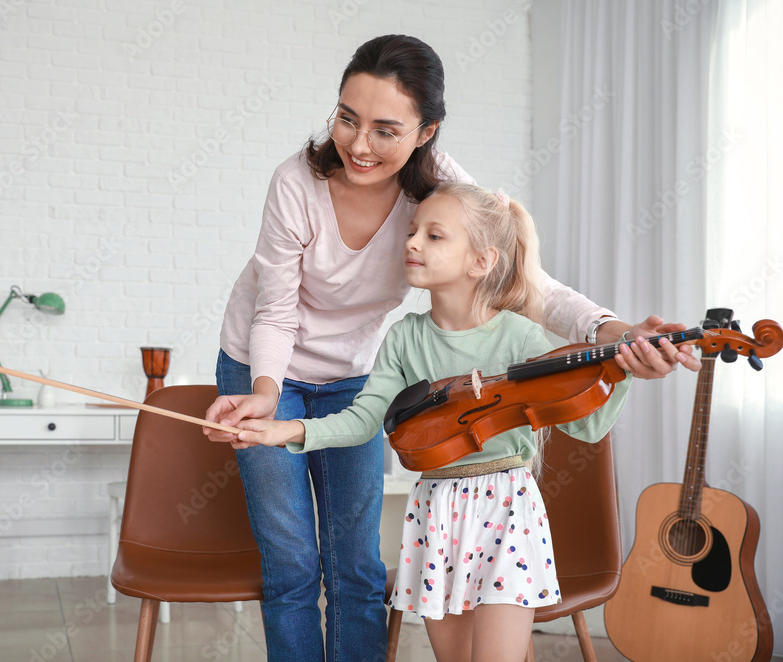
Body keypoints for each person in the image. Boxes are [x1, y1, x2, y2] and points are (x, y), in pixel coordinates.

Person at [204, 34, 697, 662]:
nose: (359, 144)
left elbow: (528, 286)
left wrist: (615, 333)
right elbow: (274, 313)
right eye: (347, 119)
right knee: (292, 562)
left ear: (426, 131)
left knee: (355, 561)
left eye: (386, 129)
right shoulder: (295, 183)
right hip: (258, 363)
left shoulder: (441, 195)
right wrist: (267, 402)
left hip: (359, 373)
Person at [227, 182, 633, 661]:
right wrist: (283, 429)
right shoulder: (404, 338)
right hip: (437, 512)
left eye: (434, 236)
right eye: (413, 231)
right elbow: (362, 423)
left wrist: (622, 368)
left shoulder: (523, 337)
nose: (412, 242)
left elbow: (585, 427)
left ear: (481, 261)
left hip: (506, 510)